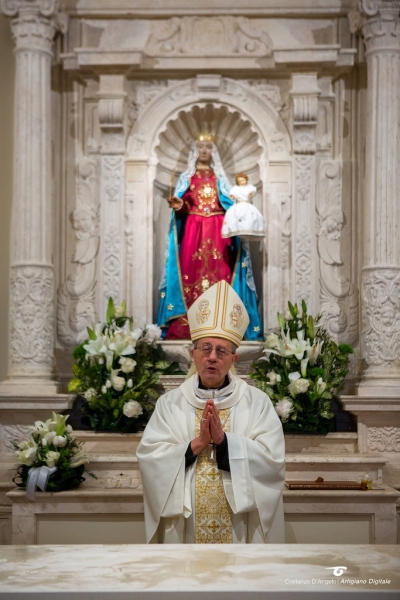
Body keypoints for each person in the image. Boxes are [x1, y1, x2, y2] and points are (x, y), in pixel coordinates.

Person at [137, 280, 285, 544]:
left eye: (221, 350)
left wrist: (226, 443)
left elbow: (272, 463)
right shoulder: (170, 404)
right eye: (206, 349)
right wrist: (197, 444)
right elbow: (150, 459)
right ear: (193, 354)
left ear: (233, 359)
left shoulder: (257, 403)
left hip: (240, 527)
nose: (212, 357)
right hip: (186, 528)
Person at [157, 133, 262, 341]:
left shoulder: (218, 179)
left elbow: (227, 201)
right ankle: (189, 321)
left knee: (221, 270)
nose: (204, 151)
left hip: (217, 230)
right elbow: (185, 202)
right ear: (195, 151)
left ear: (212, 152)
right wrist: (179, 205)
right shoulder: (189, 178)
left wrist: (237, 212)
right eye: (201, 147)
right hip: (194, 231)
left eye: (208, 147)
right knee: (190, 270)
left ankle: (221, 319)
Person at [221, 173, 266, 241]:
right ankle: (236, 229)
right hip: (238, 205)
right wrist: (232, 196)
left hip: (247, 204)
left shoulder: (250, 187)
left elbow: (252, 192)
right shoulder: (236, 188)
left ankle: (249, 229)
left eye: (242, 180)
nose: (241, 182)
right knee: (236, 216)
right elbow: (232, 194)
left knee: (249, 217)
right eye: (239, 181)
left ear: (246, 179)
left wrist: (251, 194)